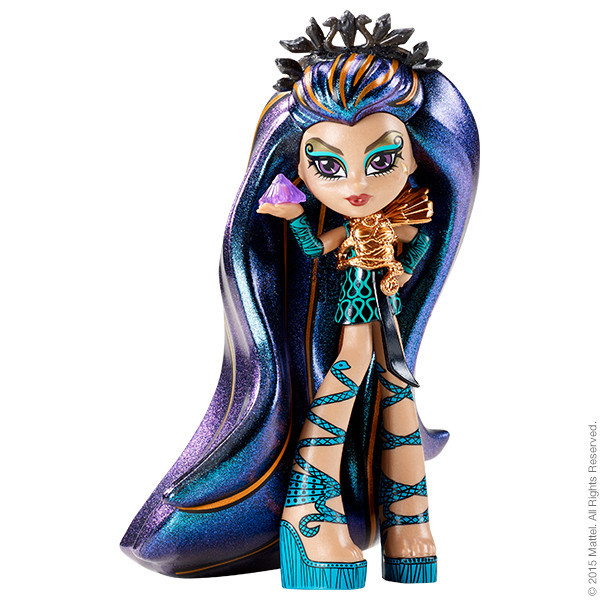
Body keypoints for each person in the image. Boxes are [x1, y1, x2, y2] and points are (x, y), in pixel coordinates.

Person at [120, 12, 479, 589]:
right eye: (328, 166)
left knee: (397, 396)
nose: (356, 185)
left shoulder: (401, 220)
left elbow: (415, 249)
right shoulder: (343, 227)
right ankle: (309, 510)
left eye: (382, 160)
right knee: (345, 379)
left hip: (384, 309)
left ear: (416, 158)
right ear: (302, 170)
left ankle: (407, 517)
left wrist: (400, 271)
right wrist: (291, 218)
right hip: (356, 308)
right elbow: (315, 248)